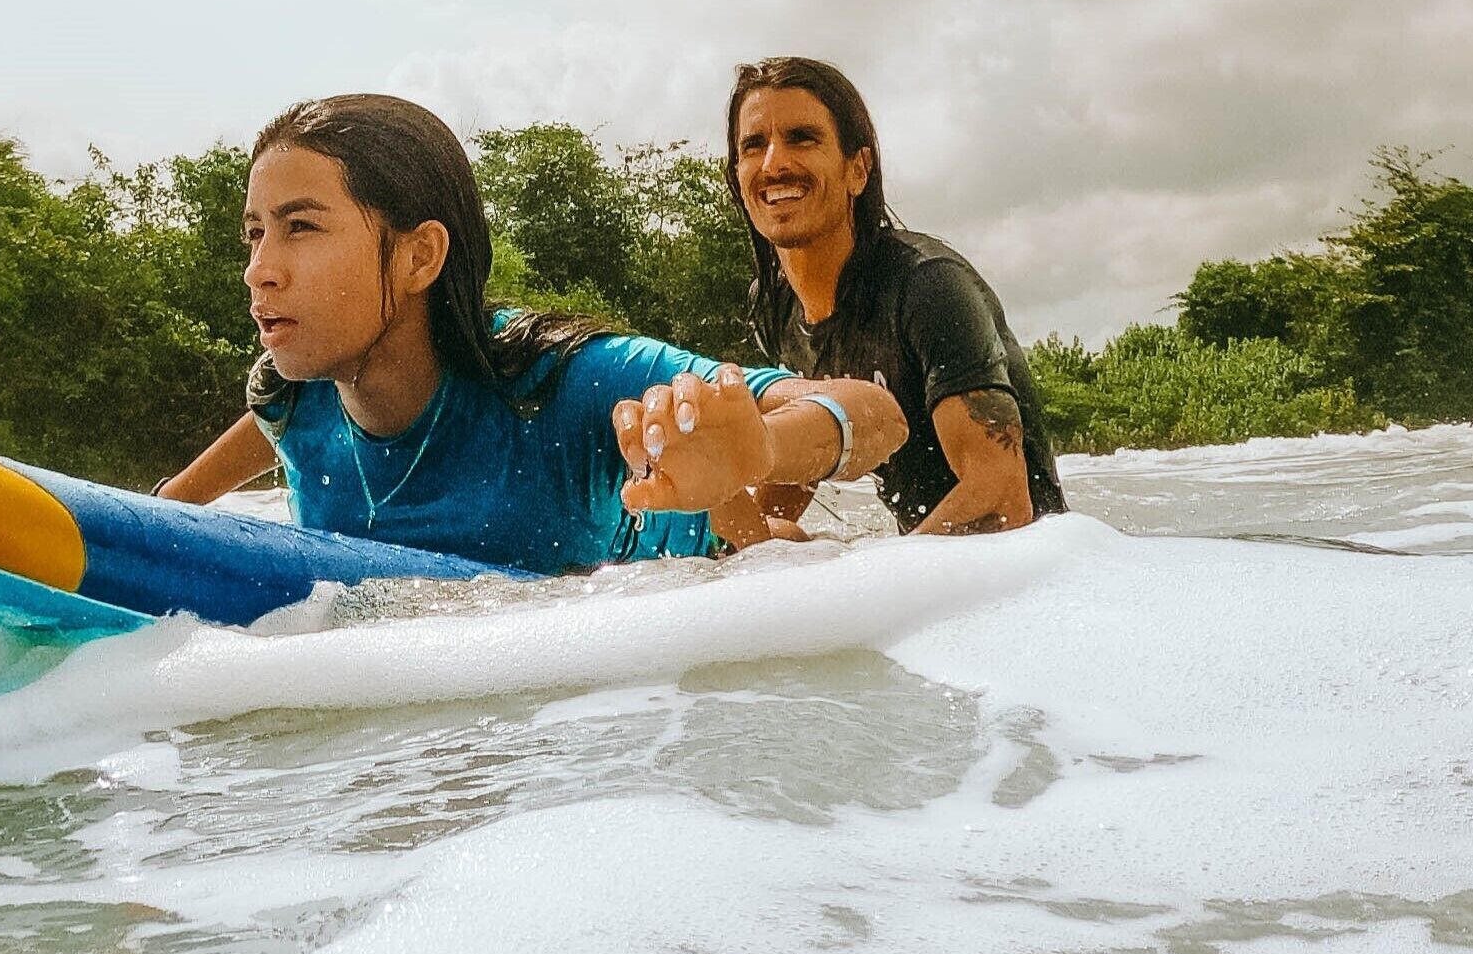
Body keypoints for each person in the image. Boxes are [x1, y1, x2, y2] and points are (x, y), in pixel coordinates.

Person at [160, 94, 904, 574]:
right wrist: (172, 504)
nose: (260, 269)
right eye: (254, 235)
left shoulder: (557, 382)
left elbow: (878, 416)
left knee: (777, 548)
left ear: (420, 254)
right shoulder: (298, 394)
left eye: (300, 228)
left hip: (690, 571)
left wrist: (763, 449)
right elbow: (275, 423)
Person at [721, 57, 1066, 536]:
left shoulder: (928, 286)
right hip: (921, 566)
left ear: (858, 169)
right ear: (737, 176)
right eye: (754, 145)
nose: (775, 163)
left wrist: (872, 580)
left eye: (802, 138)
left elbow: (1003, 500)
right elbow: (799, 469)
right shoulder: (774, 306)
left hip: (1025, 573)